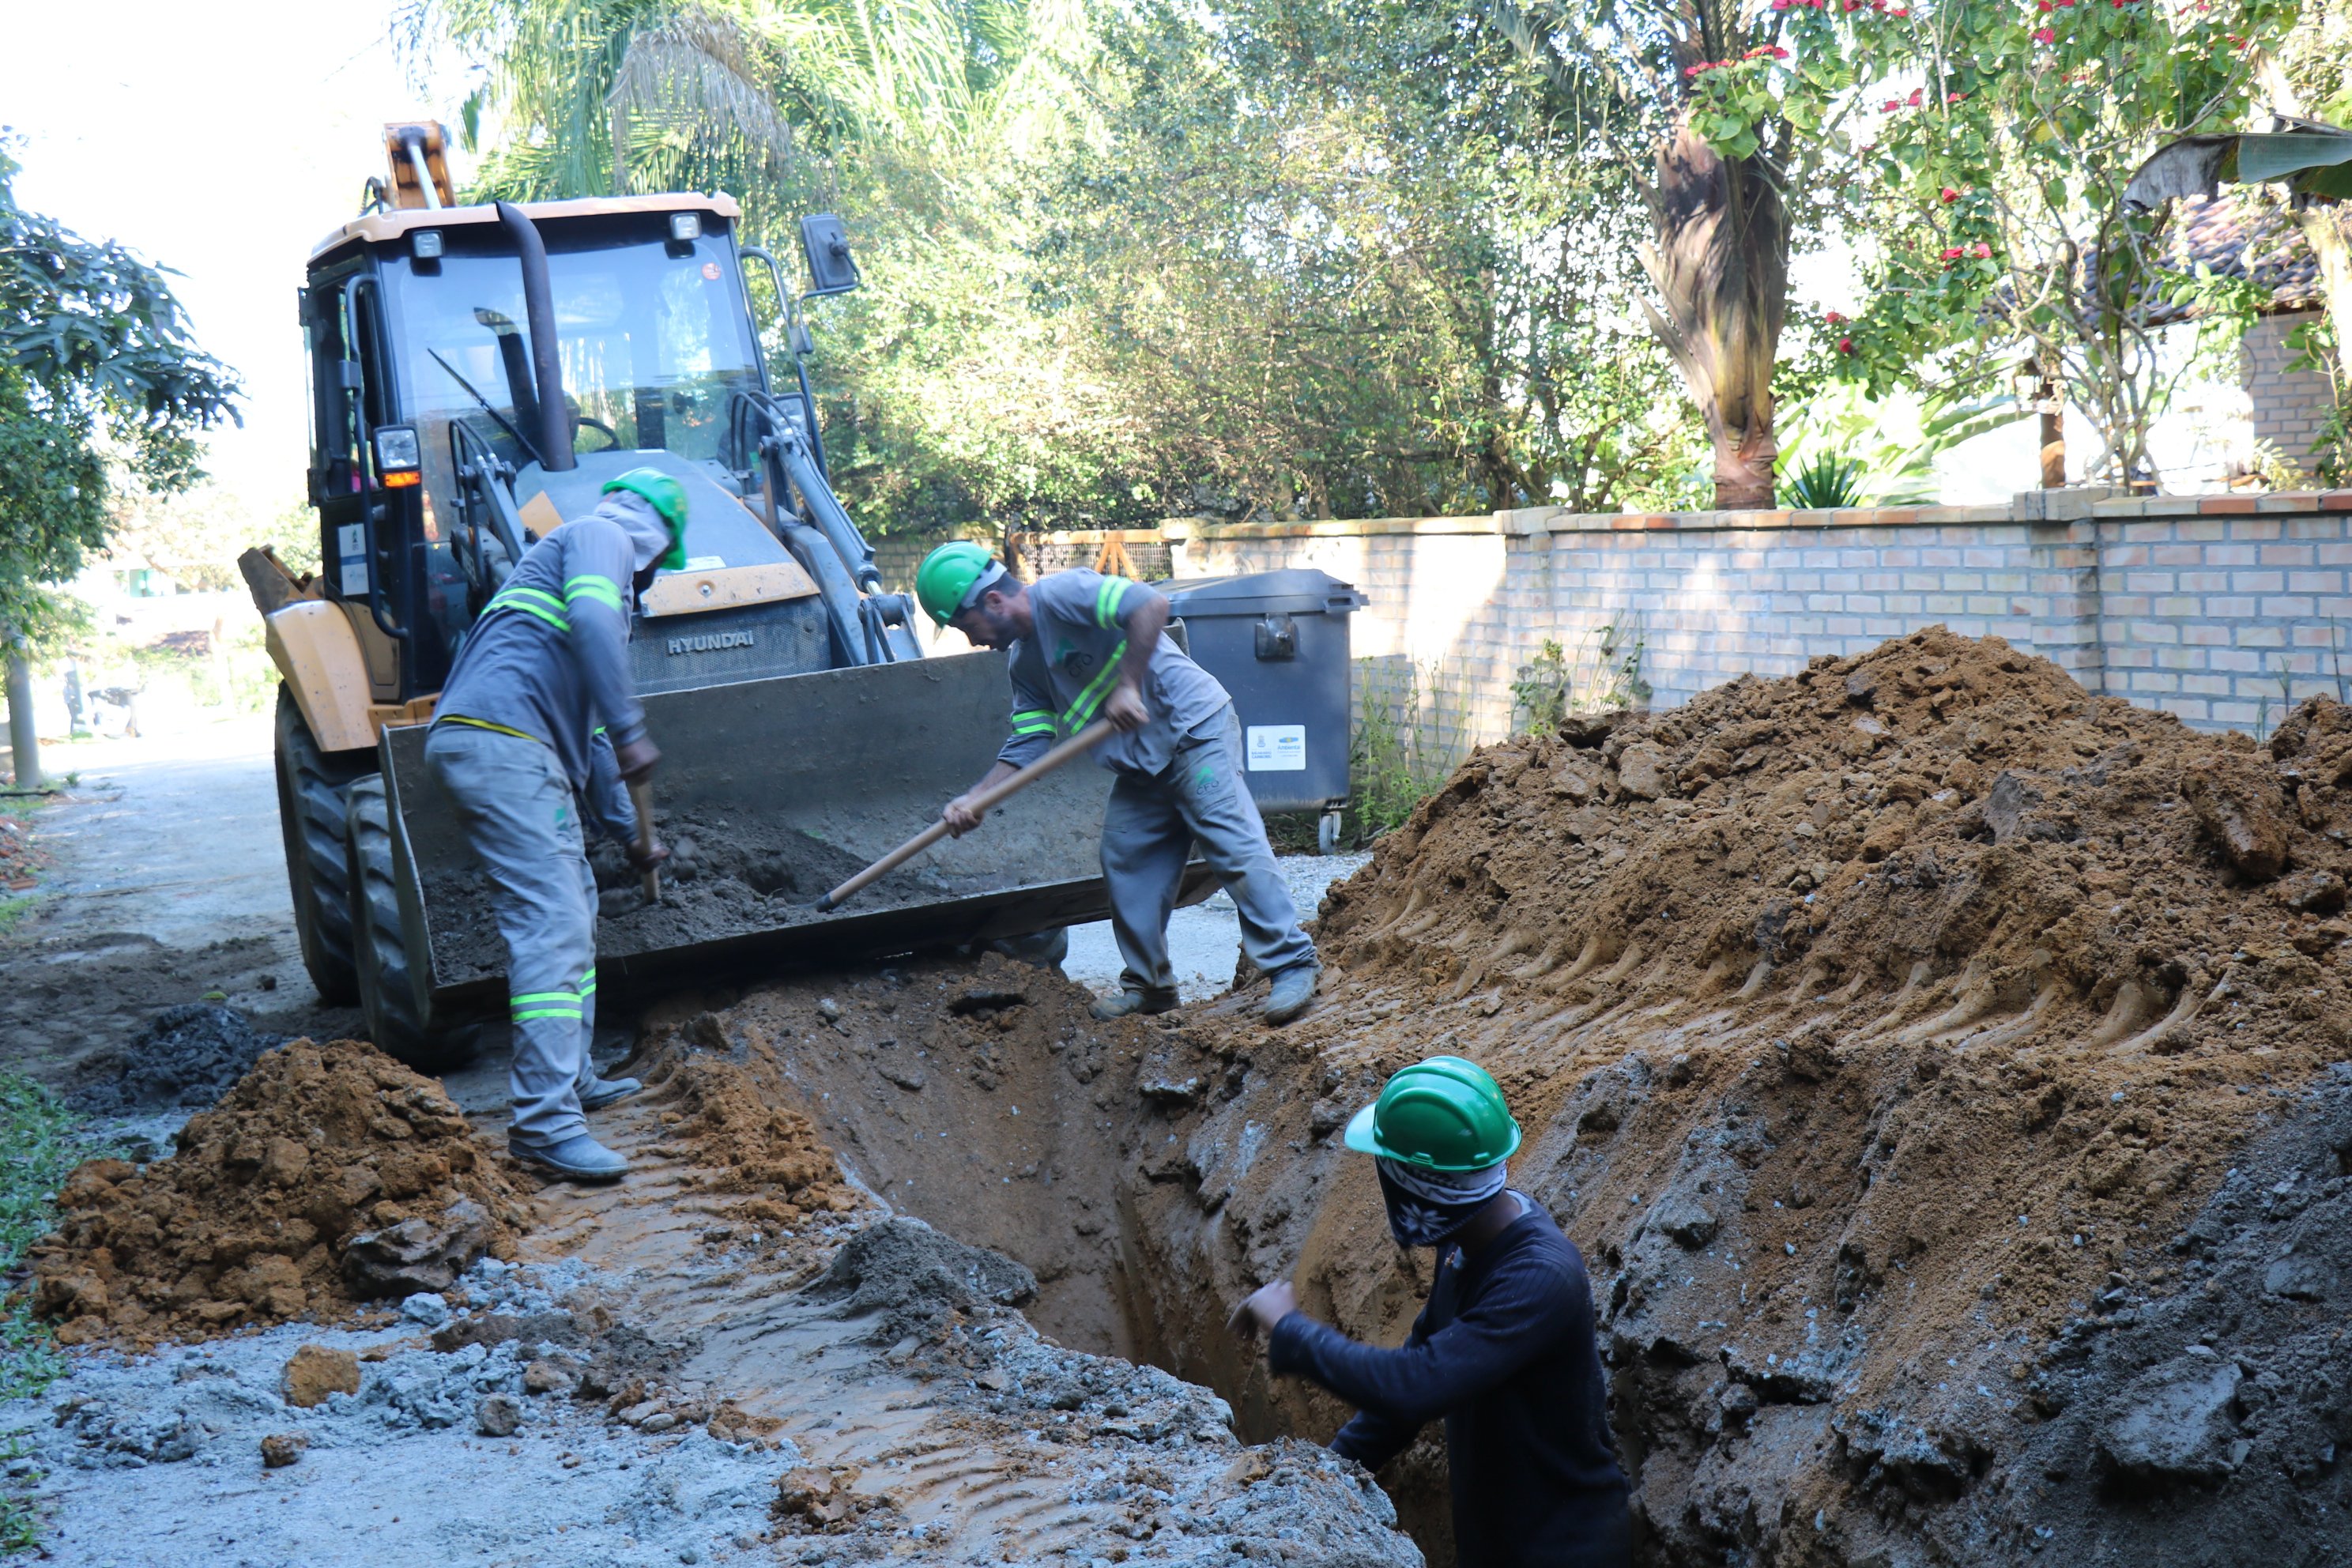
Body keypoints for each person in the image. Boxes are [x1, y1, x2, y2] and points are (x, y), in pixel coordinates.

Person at [1231, 1056, 1630, 1568]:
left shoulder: (1539, 1278)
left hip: (1564, 1551)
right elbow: (1417, 1376)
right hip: (1500, 1543)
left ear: (1418, 1189)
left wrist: (1291, 1329)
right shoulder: (1468, 1240)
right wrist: (1327, 1475)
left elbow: (1415, 1385)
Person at [914, 543, 1319, 1024]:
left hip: (1191, 732)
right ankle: (1150, 986)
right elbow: (1029, 739)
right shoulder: (1024, 662)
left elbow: (1150, 605)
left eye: (966, 626)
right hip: (1141, 765)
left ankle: (1292, 962)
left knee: (1231, 842)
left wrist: (1127, 685)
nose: (971, 640)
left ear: (994, 603)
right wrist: (976, 798)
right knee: (1125, 859)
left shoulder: (1065, 594)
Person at [422, 469, 681, 1182]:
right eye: (659, 566)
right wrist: (634, 728)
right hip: (502, 740)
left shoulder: (576, 577)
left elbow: (592, 741)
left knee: (578, 907)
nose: (652, 580)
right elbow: (600, 637)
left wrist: (630, 831)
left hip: (517, 744)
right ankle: (543, 1125)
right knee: (551, 926)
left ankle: (572, 1081)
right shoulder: (599, 537)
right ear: (653, 542)